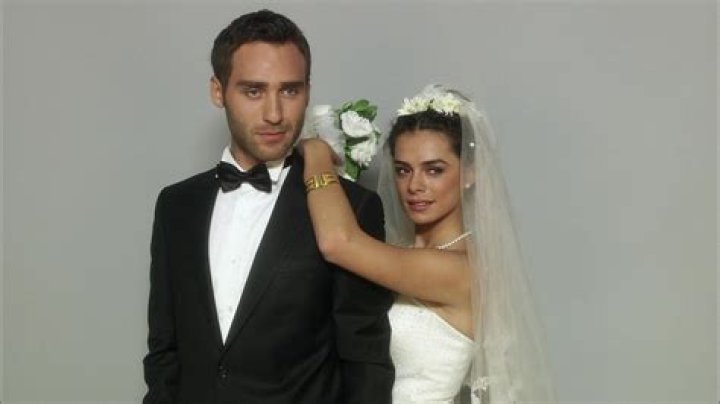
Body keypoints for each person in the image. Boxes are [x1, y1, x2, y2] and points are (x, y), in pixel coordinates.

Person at [142, 10, 394, 404]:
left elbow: (366, 363)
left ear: (308, 91)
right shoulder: (176, 206)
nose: (274, 114)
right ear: (218, 91)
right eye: (253, 91)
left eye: (290, 91)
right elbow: (164, 350)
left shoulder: (354, 208)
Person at [300, 85, 555, 403]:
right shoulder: (397, 253)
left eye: (434, 170)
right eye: (403, 170)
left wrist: (316, 156)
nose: (414, 186)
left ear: (469, 173)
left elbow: (337, 242)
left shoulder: (459, 269)